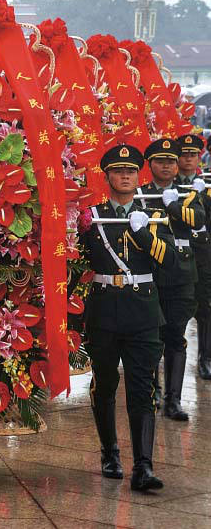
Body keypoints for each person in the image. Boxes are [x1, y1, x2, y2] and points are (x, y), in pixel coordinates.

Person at [81, 144, 174, 492]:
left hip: (143, 312)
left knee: (143, 388)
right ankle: (110, 452)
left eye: (131, 171)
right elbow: (78, 257)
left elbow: (170, 260)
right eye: (118, 171)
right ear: (107, 177)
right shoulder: (91, 216)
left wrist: (142, 233)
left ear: (139, 176)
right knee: (104, 384)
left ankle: (144, 466)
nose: (125, 176)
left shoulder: (154, 213)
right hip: (104, 311)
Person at [136, 138, 204, 421]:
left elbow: (198, 220)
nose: (167, 165)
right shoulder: (140, 195)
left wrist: (174, 206)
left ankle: (173, 400)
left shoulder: (188, 192)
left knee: (176, 336)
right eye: (161, 161)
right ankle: (152, 391)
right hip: (150, 272)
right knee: (151, 337)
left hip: (180, 276)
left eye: (172, 161)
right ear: (150, 164)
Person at [176, 134, 211, 380]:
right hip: (176, 255)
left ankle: (206, 358)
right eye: (184, 154)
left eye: (193, 154)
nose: (188, 159)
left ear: (199, 158)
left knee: (207, 308)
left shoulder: (207, 187)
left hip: (203, 255)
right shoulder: (168, 188)